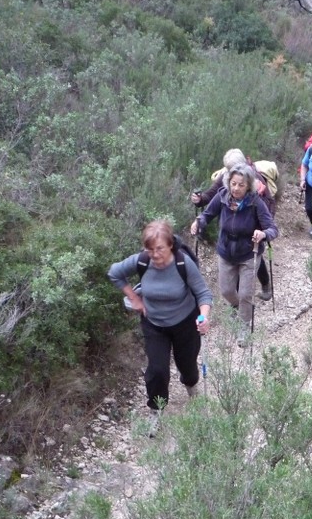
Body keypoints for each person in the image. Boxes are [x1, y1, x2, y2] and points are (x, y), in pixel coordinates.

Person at [108, 219, 212, 411]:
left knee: (188, 366)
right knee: (157, 370)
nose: (155, 255)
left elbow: (203, 294)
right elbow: (115, 273)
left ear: (171, 245)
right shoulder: (142, 260)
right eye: (150, 249)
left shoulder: (183, 263)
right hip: (154, 324)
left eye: (160, 249)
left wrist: (204, 316)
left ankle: (190, 385)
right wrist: (135, 299)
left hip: (185, 322)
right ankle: (156, 409)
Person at [190, 163, 278, 346]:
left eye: (241, 185)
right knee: (227, 291)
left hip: (248, 253)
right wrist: (199, 222)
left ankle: (244, 328)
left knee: (246, 293)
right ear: (229, 182)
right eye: (234, 183)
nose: (236, 188)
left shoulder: (256, 203)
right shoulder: (222, 197)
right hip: (226, 252)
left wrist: (263, 234)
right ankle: (241, 308)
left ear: (248, 186)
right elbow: (207, 215)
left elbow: (272, 228)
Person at [191, 148, 277, 301]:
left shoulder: (254, 178)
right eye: (228, 170)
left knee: (255, 257)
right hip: (232, 224)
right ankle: (238, 301)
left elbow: (268, 202)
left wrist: (264, 229)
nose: (235, 186)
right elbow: (212, 195)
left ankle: (263, 286)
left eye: (231, 168)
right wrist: (200, 200)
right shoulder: (228, 176)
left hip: (256, 222)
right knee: (236, 257)